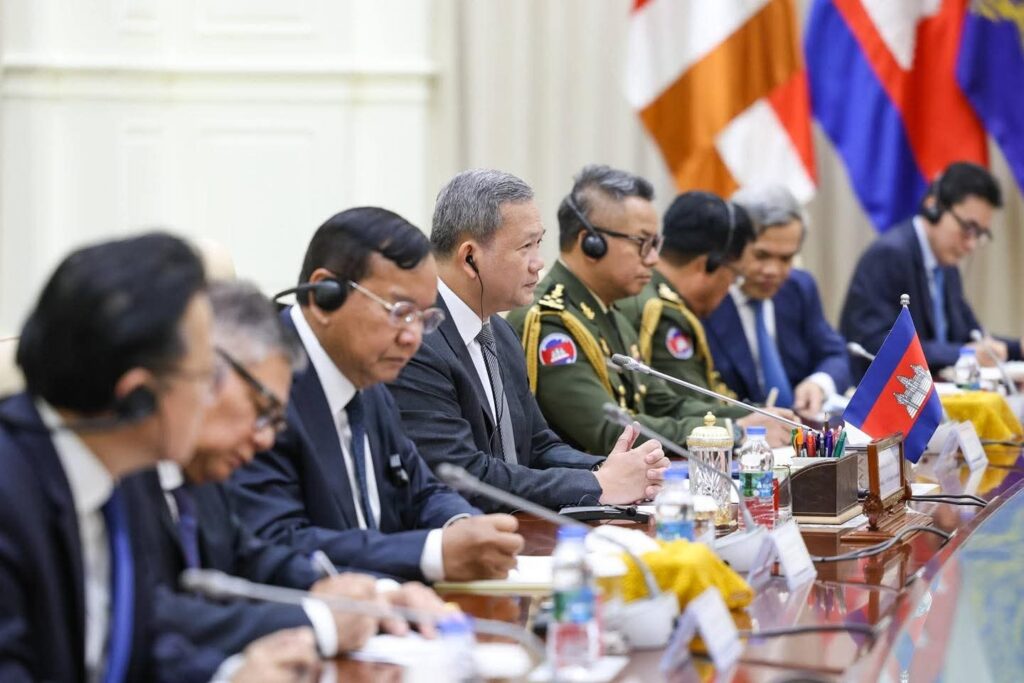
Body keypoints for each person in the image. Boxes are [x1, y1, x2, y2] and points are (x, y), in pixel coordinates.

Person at [126, 281, 447, 680]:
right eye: (261, 409)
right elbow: (149, 618)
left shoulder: (202, 474)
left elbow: (252, 558)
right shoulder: (124, 478)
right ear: (202, 375)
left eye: (274, 420)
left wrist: (374, 595)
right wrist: (320, 621)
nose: (264, 439)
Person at [230, 208, 524, 583]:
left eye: (423, 318)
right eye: (399, 312)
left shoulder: (365, 373)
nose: (413, 337)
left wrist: (461, 525)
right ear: (325, 296)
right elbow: (278, 540)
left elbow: (420, 488)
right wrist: (433, 553)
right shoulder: (263, 385)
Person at [388, 169, 669, 513]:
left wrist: (611, 469)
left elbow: (538, 447)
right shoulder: (418, 342)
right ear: (470, 257)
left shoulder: (500, 333)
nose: (539, 263)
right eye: (526, 247)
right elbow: (465, 475)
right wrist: (597, 485)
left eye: (539, 243)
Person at [0, 233, 215, 681]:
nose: (210, 399)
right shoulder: (9, 494)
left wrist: (233, 674)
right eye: (205, 377)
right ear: (138, 395)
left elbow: (144, 644)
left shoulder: (124, 471)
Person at [507, 165, 715, 455]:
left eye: (656, 244)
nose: (653, 259)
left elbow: (663, 403)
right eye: (642, 243)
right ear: (591, 243)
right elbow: (610, 432)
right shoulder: (551, 321)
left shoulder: (611, 313)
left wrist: (740, 423)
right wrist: (721, 434)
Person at [619, 191, 795, 445]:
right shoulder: (664, 311)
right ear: (706, 265)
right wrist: (747, 422)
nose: (731, 287)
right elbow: (684, 404)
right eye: (734, 276)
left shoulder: (653, 295)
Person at [840, 161, 1019, 379]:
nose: (971, 244)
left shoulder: (947, 265)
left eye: (980, 233)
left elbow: (970, 335)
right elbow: (875, 344)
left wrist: (1017, 348)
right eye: (968, 228)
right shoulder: (889, 255)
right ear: (934, 207)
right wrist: (964, 353)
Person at [705, 184, 851, 416]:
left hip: (797, 428)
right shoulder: (707, 297)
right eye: (761, 255)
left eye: (785, 259)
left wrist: (818, 383)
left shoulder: (799, 287)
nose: (772, 270)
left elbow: (834, 354)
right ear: (732, 247)